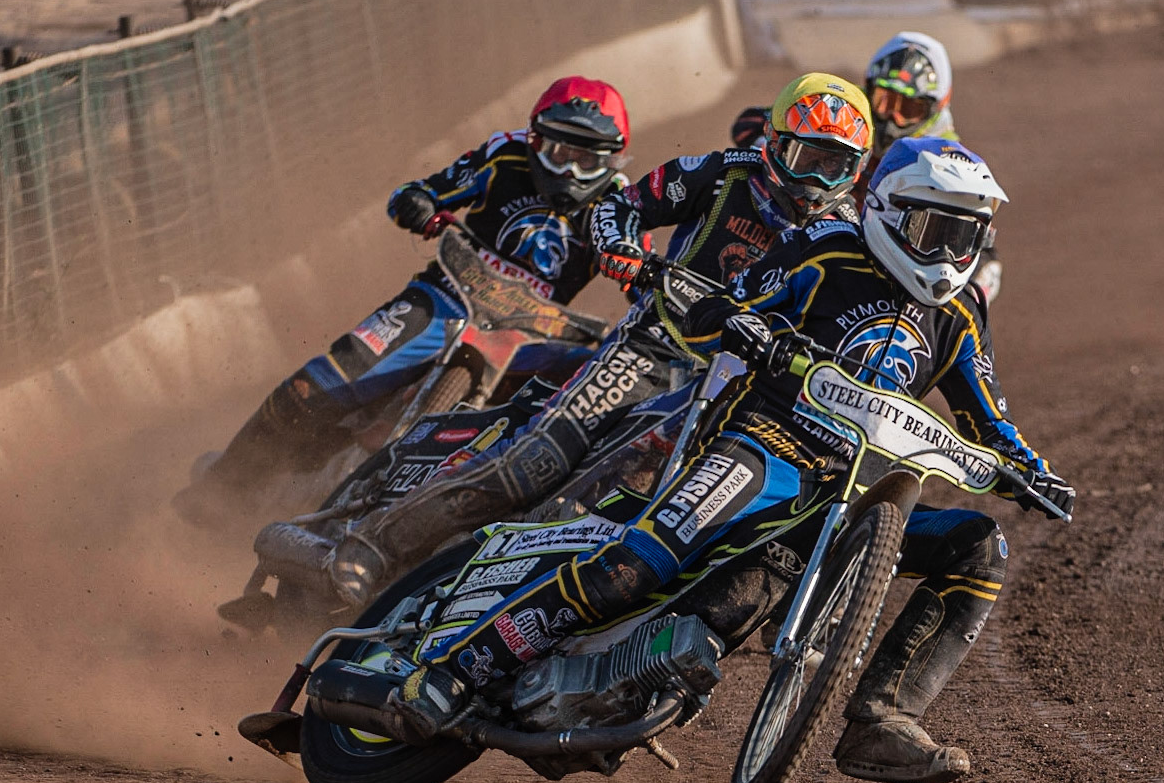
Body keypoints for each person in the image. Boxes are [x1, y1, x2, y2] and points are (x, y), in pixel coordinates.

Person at [377, 135, 1074, 783]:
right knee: (636, 568)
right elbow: (722, 305)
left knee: (979, 548)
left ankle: (882, 720)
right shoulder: (821, 249)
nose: (951, 253)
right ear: (889, 213)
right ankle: (457, 667)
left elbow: (990, 419)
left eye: (967, 236)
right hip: (758, 447)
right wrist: (745, 321)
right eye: (938, 231)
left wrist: (1031, 471)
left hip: (843, 500)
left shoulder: (955, 319)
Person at [323, 72, 876, 608]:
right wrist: (626, 254)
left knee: (670, 520)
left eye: (836, 166)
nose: (816, 183)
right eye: (808, 160)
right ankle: (373, 543)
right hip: (655, 348)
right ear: (775, 144)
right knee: (536, 464)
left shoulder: (851, 239)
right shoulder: (722, 172)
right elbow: (621, 205)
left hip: (745, 392)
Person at [172, 76, 632, 527]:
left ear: (611, 161)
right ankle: (222, 489)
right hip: (447, 298)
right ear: (535, 140)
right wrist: (420, 206)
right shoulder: (504, 156)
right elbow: (417, 192)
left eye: (585, 160)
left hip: (534, 335)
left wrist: (653, 297)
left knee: (586, 411)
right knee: (316, 385)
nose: (569, 171)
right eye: (558, 153)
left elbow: (645, 280)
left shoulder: (622, 206)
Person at [730, 31, 1004, 302]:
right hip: (808, 228)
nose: (892, 120)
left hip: (891, 264)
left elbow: (970, 234)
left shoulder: (948, 159)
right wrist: (787, 149)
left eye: (908, 109)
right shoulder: (848, 115)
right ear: (869, 89)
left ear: (935, 110)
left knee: (981, 268)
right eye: (885, 102)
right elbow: (750, 123)